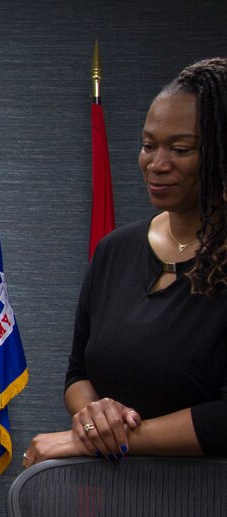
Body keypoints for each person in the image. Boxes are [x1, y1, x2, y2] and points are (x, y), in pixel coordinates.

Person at [24, 58, 227, 467]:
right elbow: (78, 373)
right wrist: (94, 417)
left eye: (181, 149)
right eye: (149, 145)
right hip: (113, 507)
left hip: (209, 513)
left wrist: (102, 441)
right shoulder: (115, 250)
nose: (157, 163)